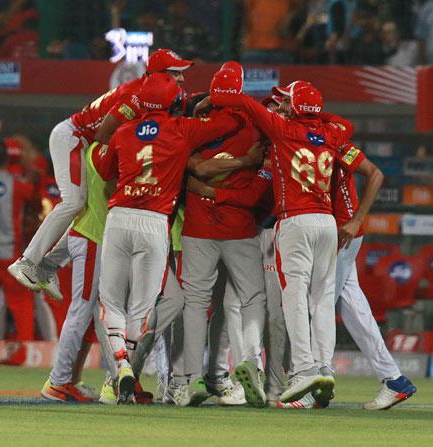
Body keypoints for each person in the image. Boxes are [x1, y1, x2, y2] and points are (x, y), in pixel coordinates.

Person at [95, 72, 245, 403]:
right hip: (154, 223)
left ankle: (120, 366)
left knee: (111, 302)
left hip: (119, 217)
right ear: (175, 102)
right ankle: (125, 371)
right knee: (143, 308)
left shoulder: (123, 131)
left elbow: (105, 170)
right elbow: (228, 125)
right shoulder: (181, 129)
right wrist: (220, 100)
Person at [7, 49, 194, 300]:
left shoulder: (153, 93)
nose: (181, 78)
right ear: (159, 74)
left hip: (87, 144)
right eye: (175, 72)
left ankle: (47, 266)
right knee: (74, 202)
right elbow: (103, 135)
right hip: (74, 138)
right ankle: (26, 261)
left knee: (87, 213)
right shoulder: (137, 95)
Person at [211, 80, 354, 405]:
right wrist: (314, 113)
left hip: (296, 222)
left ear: (295, 107)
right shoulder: (331, 133)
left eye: (289, 101)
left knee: (294, 298)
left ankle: (303, 371)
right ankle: (325, 368)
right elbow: (348, 124)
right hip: (327, 222)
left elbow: (248, 106)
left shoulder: (283, 130)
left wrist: (220, 94)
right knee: (322, 300)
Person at [282, 141, 417, 410]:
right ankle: (393, 380)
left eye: (284, 103)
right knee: (355, 311)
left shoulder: (331, 139)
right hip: (339, 230)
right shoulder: (318, 136)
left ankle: (316, 382)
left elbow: (376, 174)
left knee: (317, 305)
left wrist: (356, 220)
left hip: (342, 230)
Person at [173, 68, 268, 408]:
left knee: (196, 303)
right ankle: (249, 364)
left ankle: (188, 380)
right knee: (249, 298)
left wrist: (205, 186)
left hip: (199, 225)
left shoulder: (197, 125)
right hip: (239, 226)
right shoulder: (257, 124)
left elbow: (194, 167)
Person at [0, 141, 39, 349]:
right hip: (10, 251)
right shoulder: (18, 184)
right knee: (21, 301)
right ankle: (25, 347)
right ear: (8, 159)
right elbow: (35, 199)